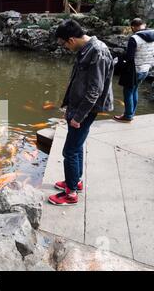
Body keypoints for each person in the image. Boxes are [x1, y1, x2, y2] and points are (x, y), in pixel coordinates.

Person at [48, 20, 114, 206]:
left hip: (85, 110)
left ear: (70, 40)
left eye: (63, 44)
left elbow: (95, 90)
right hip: (77, 107)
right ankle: (75, 181)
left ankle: (70, 194)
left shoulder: (97, 52)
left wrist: (78, 117)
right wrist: (68, 106)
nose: (64, 48)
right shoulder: (86, 49)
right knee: (76, 146)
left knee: (69, 151)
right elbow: (77, 81)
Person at [114, 18, 154, 123]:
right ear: (143, 25)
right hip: (146, 69)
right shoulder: (153, 35)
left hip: (135, 70)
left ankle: (127, 116)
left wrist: (121, 58)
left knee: (128, 91)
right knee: (134, 89)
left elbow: (130, 57)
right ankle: (131, 113)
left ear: (133, 27)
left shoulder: (134, 38)